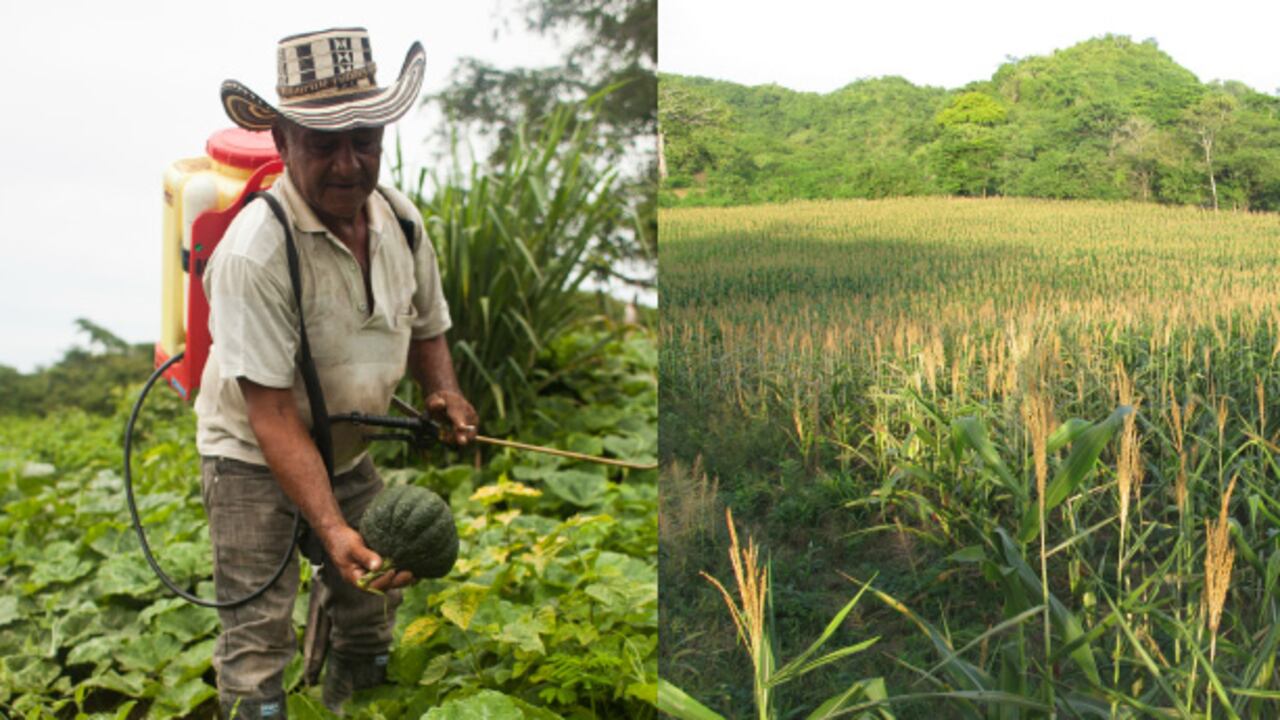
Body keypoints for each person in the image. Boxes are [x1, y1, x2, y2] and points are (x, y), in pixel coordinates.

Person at [194, 28, 478, 718]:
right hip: (251, 461)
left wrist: (443, 390)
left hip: (345, 452)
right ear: (284, 142)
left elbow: (427, 324)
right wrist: (330, 526)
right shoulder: (255, 254)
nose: (349, 164)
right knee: (258, 636)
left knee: (371, 609)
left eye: (365, 141)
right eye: (324, 145)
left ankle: (356, 702)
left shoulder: (402, 222)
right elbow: (269, 414)